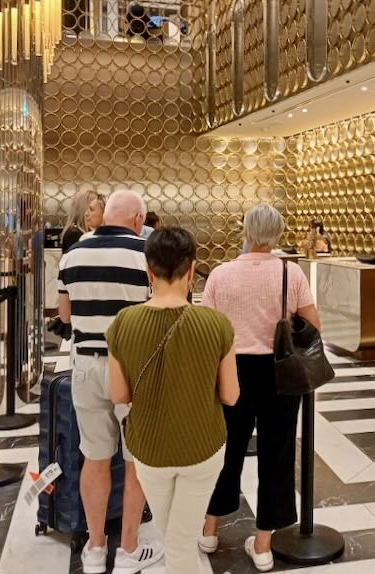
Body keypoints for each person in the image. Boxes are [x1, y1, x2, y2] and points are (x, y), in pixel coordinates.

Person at [107, 227, 240, 574]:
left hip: (149, 449)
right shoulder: (217, 324)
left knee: (174, 540)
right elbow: (230, 394)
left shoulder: (123, 324)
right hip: (203, 447)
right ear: (192, 270)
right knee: (179, 545)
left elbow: (119, 395)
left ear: (149, 272)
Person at [200, 204, 320, 572]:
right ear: (278, 234)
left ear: (246, 231)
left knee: (226, 449)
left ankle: (210, 528)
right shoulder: (291, 272)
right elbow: (313, 325)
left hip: (232, 370)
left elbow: (208, 328)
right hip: (279, 374)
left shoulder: (221, 274)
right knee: (276, 453)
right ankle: (264, 543)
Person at [57, 190, 161, 574]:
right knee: (137, 461)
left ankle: (96, 549)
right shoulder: (146, 255)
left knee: (95, 457)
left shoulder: (73, 254)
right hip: (133, 366)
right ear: (137, 219)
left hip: (86, 365)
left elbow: (64, 316)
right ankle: (130, 550)